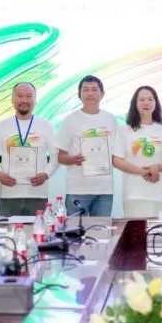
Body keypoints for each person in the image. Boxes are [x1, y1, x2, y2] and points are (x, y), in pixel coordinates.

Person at [0, 82, 58, 217]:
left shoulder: (46, 126)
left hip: (38, 195)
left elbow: (56, 156)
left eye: (29, 96)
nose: (24, 100)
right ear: (12, 99)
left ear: (35, 100)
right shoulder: (2, 126)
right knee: (7, 231)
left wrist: (46, 174)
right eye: (20, 96)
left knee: (38, 230)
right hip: (9, 195)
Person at [56, 75, 118, 217]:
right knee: (75, 231)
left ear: (102, 94)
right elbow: (60, 156)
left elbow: (117, 153)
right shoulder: (70, 120)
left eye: (94, 89)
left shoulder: (111, 119)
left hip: (104, 190)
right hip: (78, 190)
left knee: (102, 230)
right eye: (86, 90)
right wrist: (73, 159)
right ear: (79, 94)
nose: (90, 93)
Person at [112, 86, 162, 218]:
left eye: (150, 99)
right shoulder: (125, 130)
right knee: (135, 230)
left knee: (158, 230)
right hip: (134, 193)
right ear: (135, 104)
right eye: (141, 99)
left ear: (156, 103)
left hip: (158, 193)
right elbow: (116, 161)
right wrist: (144, 172)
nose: (146, 103)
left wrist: (158, 167)